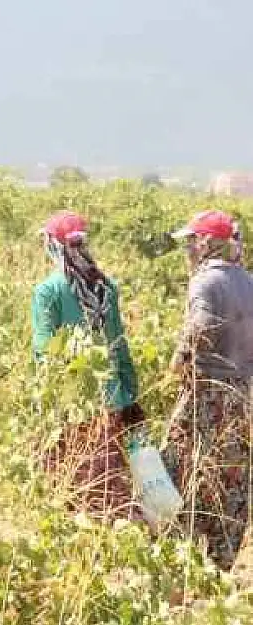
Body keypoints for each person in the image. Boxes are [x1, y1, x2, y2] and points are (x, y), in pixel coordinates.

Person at [31, 211, 143, 522]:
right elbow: (118, 343)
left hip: (73, 404)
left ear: (53, 245)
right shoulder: (107, 286)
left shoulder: (48, 291)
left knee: (71, 491)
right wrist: (130, 396)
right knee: (109, 487)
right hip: (112, 399)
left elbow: (44, 353)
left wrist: (44, 401)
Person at [164, 210, 253, 571]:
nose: (187, 249)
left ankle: (180, 560)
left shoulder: (206, 282)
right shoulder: (248, 282)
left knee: (183, 469)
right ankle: (220, 564)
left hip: (208, 394)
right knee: (232, 476)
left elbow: (199, 329)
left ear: (205, 244)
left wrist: (178, 363)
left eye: (190, 241)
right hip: (244, 397)